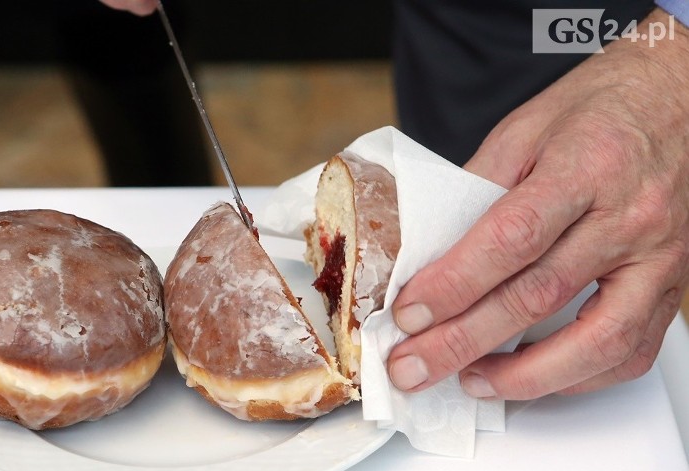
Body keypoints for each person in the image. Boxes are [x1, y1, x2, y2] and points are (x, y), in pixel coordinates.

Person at [109, 0, 689, 403]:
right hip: (467, 27)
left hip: (586, 19)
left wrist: (672, 63)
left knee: (544, 248)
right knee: (446, 209)